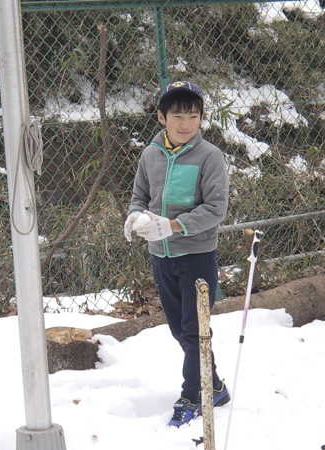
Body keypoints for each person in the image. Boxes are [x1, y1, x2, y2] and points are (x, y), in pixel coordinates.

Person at [124, 81, 230, 427]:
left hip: (197, 255)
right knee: (178, 329)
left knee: (194, 329)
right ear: (161, 117)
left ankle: (193, 395)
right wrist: (135, 216)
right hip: (161, 257)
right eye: (177, 115)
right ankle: (213, 386)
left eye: (193, 116)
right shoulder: (149, 155)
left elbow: (216, 208)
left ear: (201, 119)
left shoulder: (209, 156)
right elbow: (140, 196)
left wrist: (175, 226)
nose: (185, 123)